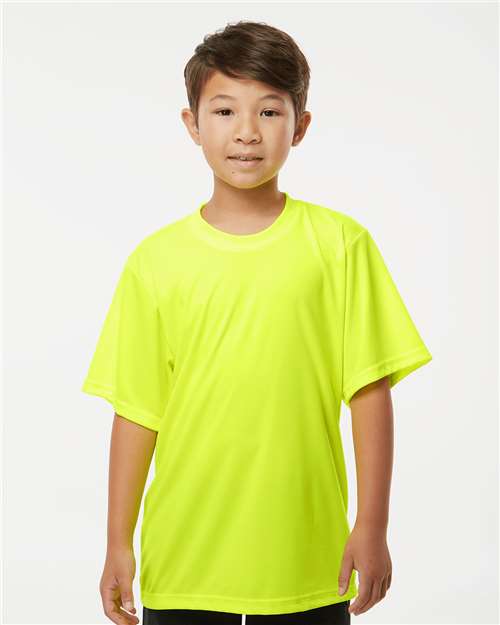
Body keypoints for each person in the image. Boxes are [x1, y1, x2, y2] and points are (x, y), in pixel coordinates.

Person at [81, 20, 433, 625]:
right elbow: (137, 411)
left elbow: (369, 393)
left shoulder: (341, 246)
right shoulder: (155, 261)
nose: (246, 132)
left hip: (309, 563)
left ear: (300, 125)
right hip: (185, 563)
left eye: (269, 112)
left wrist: (371, 525)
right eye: (224, 111)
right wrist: (118, 541)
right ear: (193, 124)